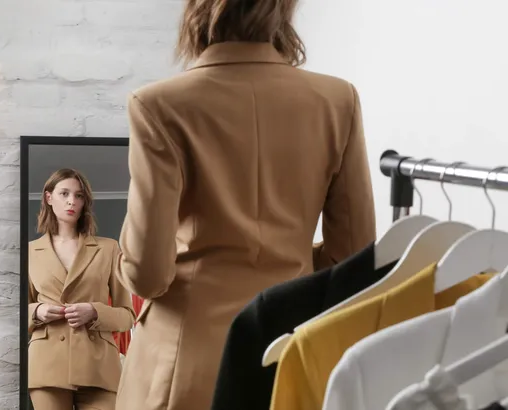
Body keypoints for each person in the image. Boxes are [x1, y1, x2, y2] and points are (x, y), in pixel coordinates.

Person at [114, 0, 376, 409]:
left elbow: (148, 275)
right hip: (291, 349)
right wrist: (288, 264)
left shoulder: (159, 105)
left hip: (187, 357)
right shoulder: (337, 100)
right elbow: (353, 255)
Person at [28, 168, 135, 410]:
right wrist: (38, 311)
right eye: (64, 193)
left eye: (79, 196)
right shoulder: (30, 252)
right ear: (48, 197)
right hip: (48, 366)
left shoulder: (108, 248)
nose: (71, 201)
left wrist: (95, 311)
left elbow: (128, 316)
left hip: (99, 366)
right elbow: (15, 312)